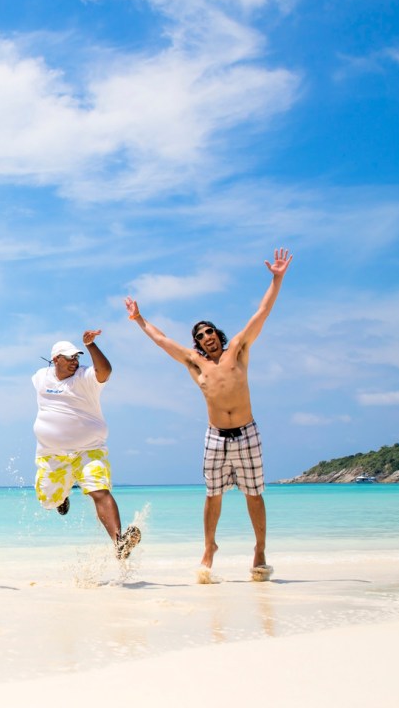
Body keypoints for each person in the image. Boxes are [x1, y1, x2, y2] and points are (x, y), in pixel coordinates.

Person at [125, 248, 292, 581]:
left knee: (254, 493)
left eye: (209, 332)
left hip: (246, 432)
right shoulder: (195, 363)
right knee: (212, 495)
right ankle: (209, 549)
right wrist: (139, 319)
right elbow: (162, 340)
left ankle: (259, 549)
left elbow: (262, 311)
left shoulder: (239, 350)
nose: (205, 338)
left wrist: (277, 278)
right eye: (199, 336)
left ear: (219, 334)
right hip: (216, 437)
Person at [32, 332, 140, 560]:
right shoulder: (41, 377)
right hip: (52, 455)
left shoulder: (85, 378)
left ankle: (119, 543)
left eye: (76, 357)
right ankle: (61, 498)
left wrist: (90, 345)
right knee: (48, 501)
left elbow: (105, 371)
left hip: (89, 450)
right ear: (56, 359)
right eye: (69, 357)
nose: (74, 361)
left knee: (99, 491)